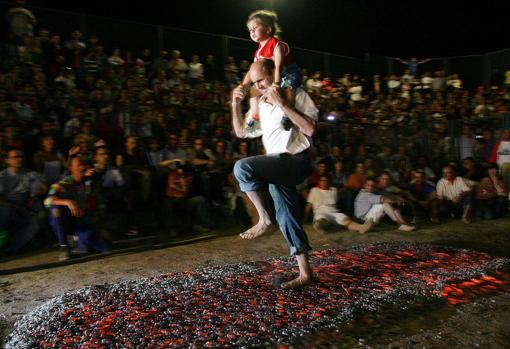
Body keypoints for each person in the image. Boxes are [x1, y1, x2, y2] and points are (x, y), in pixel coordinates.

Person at [231, 60, 317, 289]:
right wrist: (235, 105)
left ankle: (264, 219)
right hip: (277, 166)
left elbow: (309, 129)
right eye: (255, 81)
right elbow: (241, 132)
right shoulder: (260, 104)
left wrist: (283, 104)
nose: (257, 85)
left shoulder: (295, 94)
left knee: (242, 168)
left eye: (261, 79)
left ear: (274, 74)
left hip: (296, 160)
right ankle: (305, 273)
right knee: (287, 217)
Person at [239, 10, 302, 131]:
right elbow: (251, 71)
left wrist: (276, 84)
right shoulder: (257, 53)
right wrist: (243, 86)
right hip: (272, 76)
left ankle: (287, 115)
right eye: (250, 30)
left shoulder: (277, 44)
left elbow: (278, 66)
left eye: (255, 28)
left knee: (289, 87)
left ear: (268, 29)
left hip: (288, 73)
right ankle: (255, 116)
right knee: (253, 92)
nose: (251, 31)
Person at [304, 176, 374, 234]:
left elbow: (335, 205)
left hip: (334, 212)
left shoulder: (333, 190)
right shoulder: (314, 190)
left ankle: (361, 227)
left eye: (326, 180)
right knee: (321, 219)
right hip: (321, 211)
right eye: (322, 180)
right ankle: (320, 228)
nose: (324, 182)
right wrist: (305, 218)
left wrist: (339, 216)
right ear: (319, 181)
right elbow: (309, 204)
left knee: (346, 220)